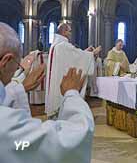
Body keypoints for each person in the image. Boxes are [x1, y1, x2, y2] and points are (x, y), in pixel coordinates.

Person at [0, 22, 94, 163]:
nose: (16, 70)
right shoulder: (7, 130)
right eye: (18, 65)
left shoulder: (56, 45)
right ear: (5, 61)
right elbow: (69, 142)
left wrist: (19, 88)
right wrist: (72, 94)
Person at [45, 23, 101, 117]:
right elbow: (75, 57)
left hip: (57, 78)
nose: (70, 33)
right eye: (69, 31)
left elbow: (74, 55)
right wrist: (92, 54)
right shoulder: (63, 45)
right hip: (61, 80)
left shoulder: (56, 45)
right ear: (64, 31)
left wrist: (85, 52)